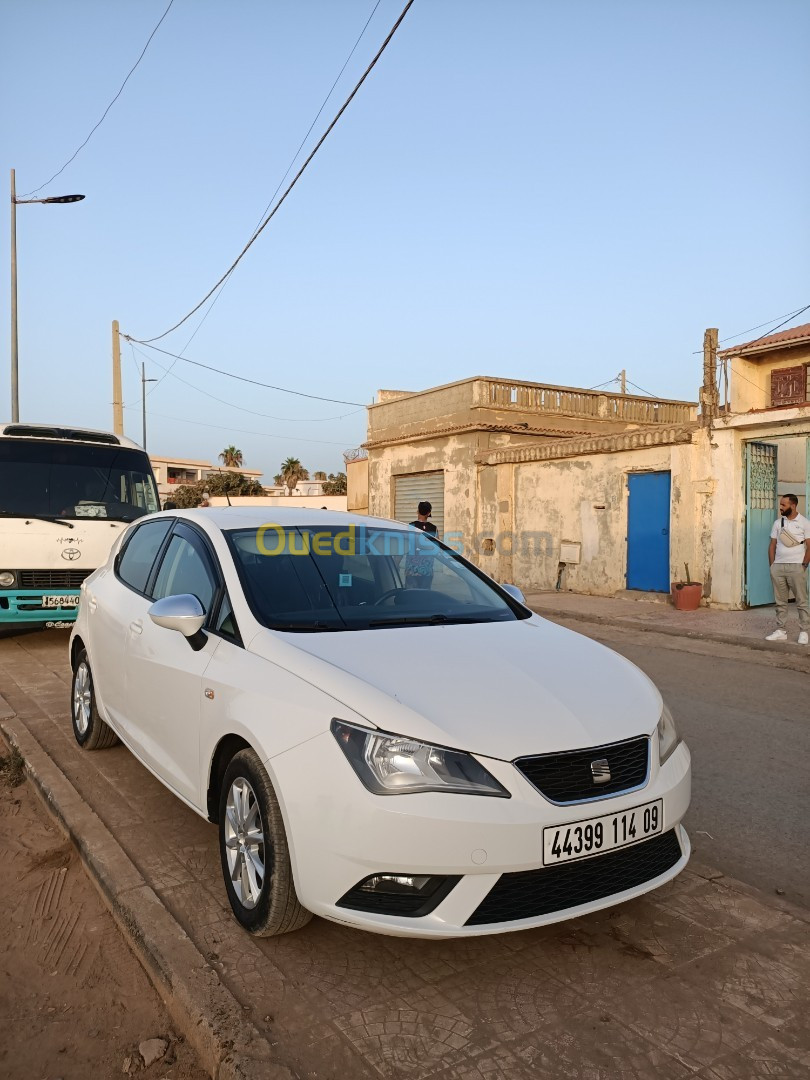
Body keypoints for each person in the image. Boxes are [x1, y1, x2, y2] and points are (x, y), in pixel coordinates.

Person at [765, 494, 810, 645]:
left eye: (784, 505)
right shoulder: (778, 523)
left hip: (797, 566)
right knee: (780, 601)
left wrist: (804, 565)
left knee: (801, 601)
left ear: (793, 505)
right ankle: (781, 630)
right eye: (781, 504)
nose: (781, 507)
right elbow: (772, 545)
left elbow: (809, 546)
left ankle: (804, 631)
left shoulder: (804, 523)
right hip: (778, 567)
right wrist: (772, 566)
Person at [405, 501, 438, 588]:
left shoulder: (410, 526)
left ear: (417, 511)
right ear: (429, 513)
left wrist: (396, 563)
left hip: (411, 569)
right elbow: (437, 549)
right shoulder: (434, 529)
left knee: (410, 597)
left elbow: (404, 546)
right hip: (427, 570)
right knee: (424, 597)